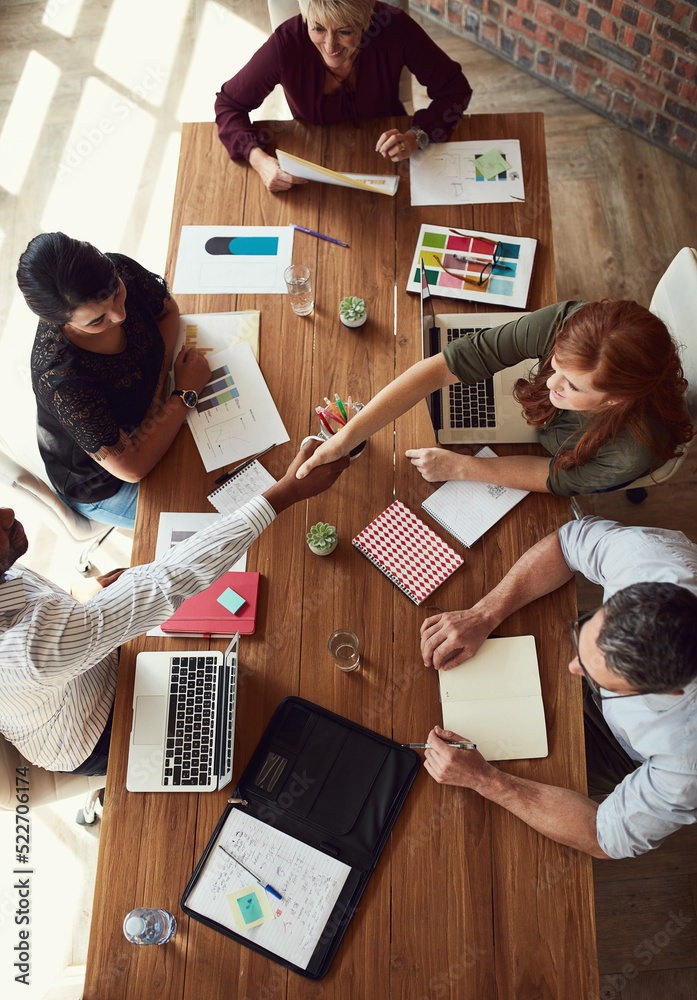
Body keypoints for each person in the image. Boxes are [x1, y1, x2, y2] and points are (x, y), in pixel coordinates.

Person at [0, 440, 349, 775]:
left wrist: (79, 604)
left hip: (91, 663)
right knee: (252, 739)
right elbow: (169, 582)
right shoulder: (28, 652)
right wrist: (286, 491)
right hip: (98, 730)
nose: (9, 512)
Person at [419, 515, 697, 860]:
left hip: (621, 751)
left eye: (600, 674)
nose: (573, 667)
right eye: (586, 638)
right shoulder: (647, 558)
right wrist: (485, 614)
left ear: (670, 691)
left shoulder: (687, 762)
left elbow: (603, 837)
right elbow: (566, 544)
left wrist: (485, 780)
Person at [297, 299, 694, 497]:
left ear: (612, 401)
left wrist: (464, 467)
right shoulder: (574, 326)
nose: (551, 383)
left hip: (565, 453)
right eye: (554, 364)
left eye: (572, 386)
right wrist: (343, 439)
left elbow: (551, 475)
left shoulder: (631, 451)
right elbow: (443, 366)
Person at [17, 232, 212, 529]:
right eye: (97, 321)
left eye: (118, 295)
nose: (119, 315)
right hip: (105, 482)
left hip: (146, 418)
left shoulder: (119, 270)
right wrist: (184, 394)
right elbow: (132, 468)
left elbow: (167, 311)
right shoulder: (61, 378)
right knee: (214, 516)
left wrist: (157, 391)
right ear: (61, 322)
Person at [215, 0, 472, 192]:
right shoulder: (286, 44)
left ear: (365, 21)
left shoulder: (393, 26)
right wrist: (258, 159)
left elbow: (455, 89)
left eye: (344, 32)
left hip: (389, 153)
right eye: (317, 29)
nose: (329, 46)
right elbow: (229, 105)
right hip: (313, 159)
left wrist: (418, 136)